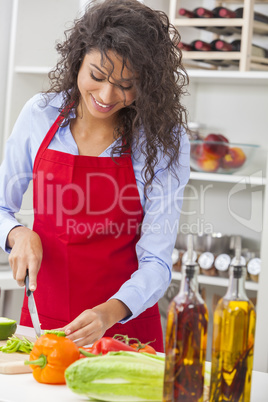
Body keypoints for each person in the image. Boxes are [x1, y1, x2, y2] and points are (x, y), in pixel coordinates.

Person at [0, 0, 190, 352]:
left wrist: (108, 313)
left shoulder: (164, 139)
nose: (106, 96)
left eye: (126, 84)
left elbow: (158, 261)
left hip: (125, 328)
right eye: (97, 76)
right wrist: (16, 233)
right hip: (44, 321)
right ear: (78, 60)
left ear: (147, 84)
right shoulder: (41, 115)